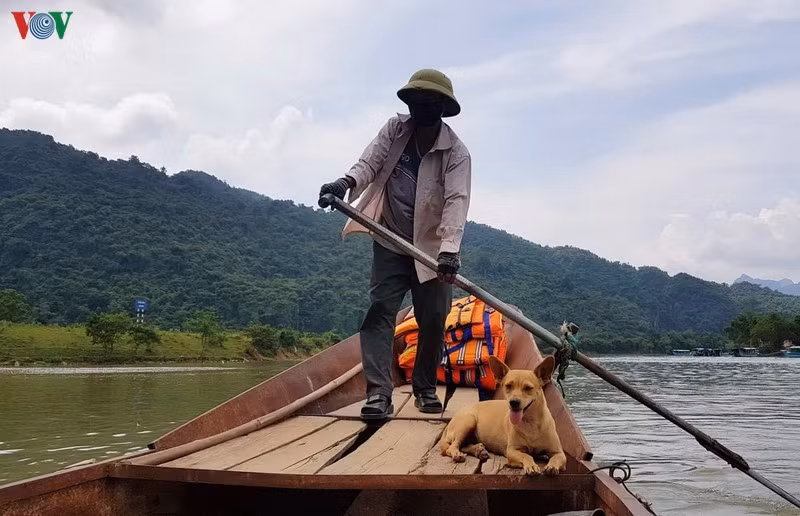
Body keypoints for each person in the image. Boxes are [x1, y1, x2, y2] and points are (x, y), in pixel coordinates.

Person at [318, 69, 471, 420]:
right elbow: (369, 162)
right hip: (389, 237)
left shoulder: (456, 153)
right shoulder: (395, 129)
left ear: (442, 108)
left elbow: (456, 200)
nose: (421, 107)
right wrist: (345, 183)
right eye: (416, 101)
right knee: (379, 314)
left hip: (432, 250)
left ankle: (424, 388)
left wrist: (449, 250)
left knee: (433, 317)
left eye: (430, 102)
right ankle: (378, 394)